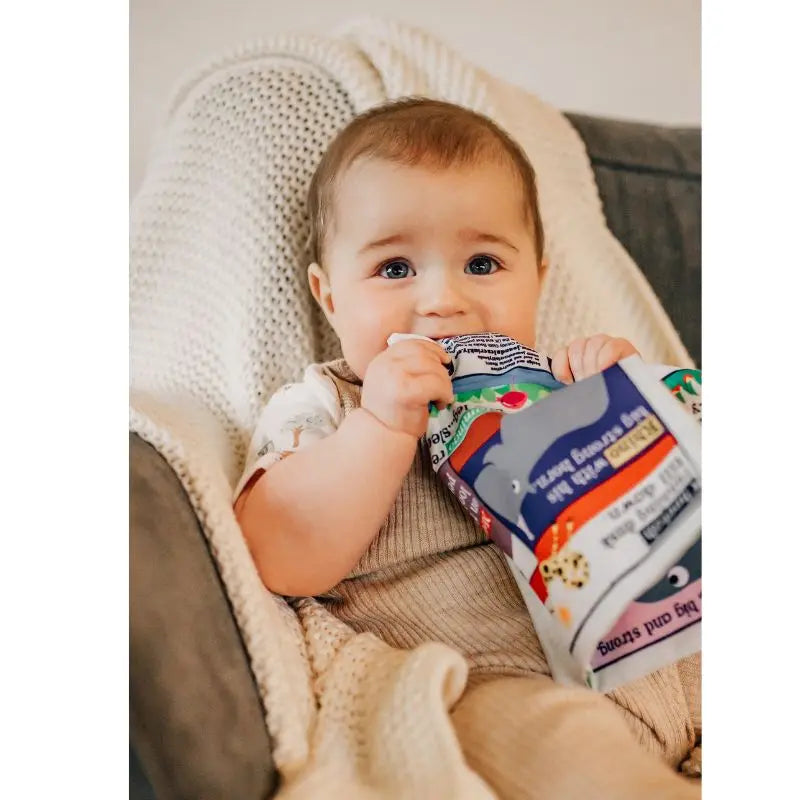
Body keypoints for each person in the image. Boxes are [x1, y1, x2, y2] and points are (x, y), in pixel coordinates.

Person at [234, 98, 700, 799]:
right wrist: (383, 428)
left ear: (538, 280)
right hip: (499, 680)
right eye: (394, 269)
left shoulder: (563, 381)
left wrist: (632, 403)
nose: (443, 300)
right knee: (556, 747)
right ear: (330, 298)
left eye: (483, 263)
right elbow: (278, 551)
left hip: (669, 651)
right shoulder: (331, 404)